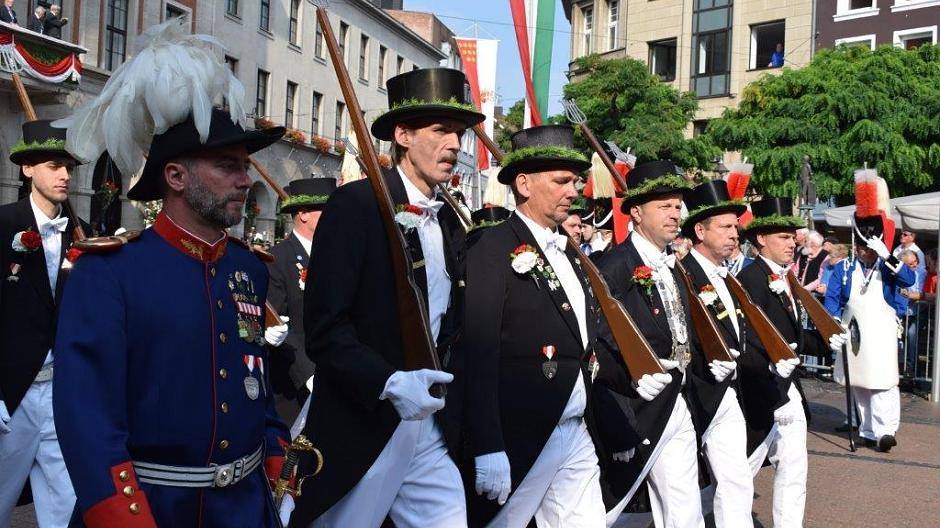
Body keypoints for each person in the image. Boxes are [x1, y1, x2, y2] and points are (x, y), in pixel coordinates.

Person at [52, 20, 292, 527]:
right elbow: (87, 419)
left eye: (245, 165)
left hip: (247, 509)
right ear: (176, 176)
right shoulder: (110, 273)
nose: (245, 179)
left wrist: (275, 454)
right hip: (155, 510)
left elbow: (256, 379)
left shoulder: (247, 267)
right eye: (227, 165)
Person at [289, 68, 479, 528]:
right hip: (365, 420)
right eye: (441, 130)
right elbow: (325, 329)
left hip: (429, 424)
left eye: (459, 133)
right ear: (403, 136)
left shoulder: (449, 220)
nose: (454, 144)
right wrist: (389, 381)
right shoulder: (355, 206)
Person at [455, 125, 605, 527]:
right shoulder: (492, 248)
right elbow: (479, 350)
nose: (573, 191)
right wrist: (488, 443)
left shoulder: (567, 252)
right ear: (524, 184)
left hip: (575, 429)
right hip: (522, 433)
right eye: (561, 181)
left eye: (574, 181)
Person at [593, 160, 706, 528]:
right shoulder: (615, 264)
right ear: (637, 213)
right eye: (665, 206)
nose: (675, 214)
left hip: (677, 399)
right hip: (635, 405)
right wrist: (631, 378)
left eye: (678, 206)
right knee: (604, 509)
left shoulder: (673, 264)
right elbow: (599, 335)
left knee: (684, 510)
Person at [0, 119, 89, 527]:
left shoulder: (82, 234)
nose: (65, 175)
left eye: (68, 167)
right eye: (54, 166)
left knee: (67, 508)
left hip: (61, 394)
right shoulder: (4, 225)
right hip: (11, 396)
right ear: (27, 169)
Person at [737, 197, 833, 528]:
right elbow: (749, 335)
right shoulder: (750, 278)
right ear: (761, 239)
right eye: (783, 237)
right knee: (739, 470)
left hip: (788, 388)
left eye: (793, 237)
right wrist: (770, 364)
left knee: (793, 466)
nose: (792, 243)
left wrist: (825, 341)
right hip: (762, 388)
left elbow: (790, 333)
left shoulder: (785, 277)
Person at [678, 180, 754, 528]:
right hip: (693, 394)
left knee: (736, 479)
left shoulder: (728, 277)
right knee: (670, 492)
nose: (734, 234)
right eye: (725, 227)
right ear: (700, 231)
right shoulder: (682, 274)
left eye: (735, 227)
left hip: (727, 394)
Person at [825, 174, 915, 453]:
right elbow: (832, 299)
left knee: (883, 381)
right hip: (854, 329)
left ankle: (886, 430)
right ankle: (866, 429)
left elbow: (909, 279)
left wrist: (887, 256)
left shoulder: (887, 266)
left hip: (881, 330)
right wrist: (833, 323)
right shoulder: (844, 268)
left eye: (868, 248)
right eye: (861, 247)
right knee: (861, 382)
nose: (864, 251)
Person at [265, 178, 336, 415]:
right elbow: (277, 325)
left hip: (338, 374)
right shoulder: (277, 260)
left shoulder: (337, 255)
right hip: (296, 386)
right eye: (327, 210)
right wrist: (309, 374)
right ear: (303, 214)